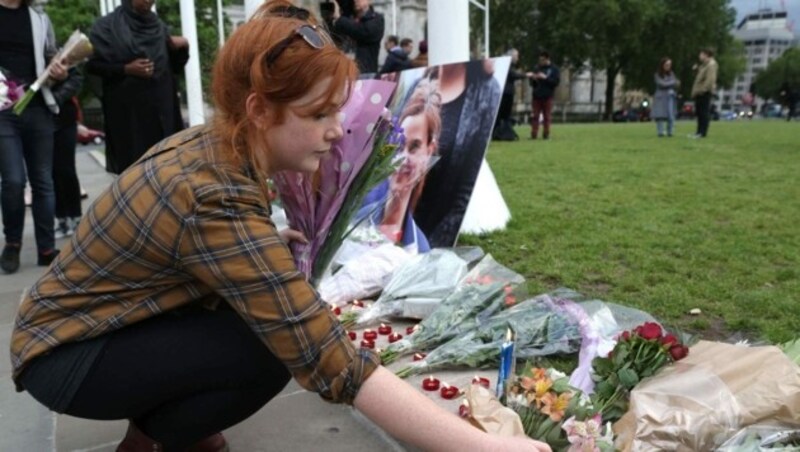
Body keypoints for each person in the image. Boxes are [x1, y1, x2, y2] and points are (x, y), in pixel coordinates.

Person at [9, 2, 551, 451]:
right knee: (273, 349)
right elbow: (327, 357)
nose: (339, 132)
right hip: (66, 356)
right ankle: (155, 436)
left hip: (80, 329)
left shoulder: (219, 146)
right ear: (260, 111)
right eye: (319, 115)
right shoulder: (213, 193)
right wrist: (485, 446)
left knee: (252, 322)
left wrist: (264, 240)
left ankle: (156, 430)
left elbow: (178, 249)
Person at [0, 0, 67, 274]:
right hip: (3, 109)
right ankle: (13, 243)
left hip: (37, 105)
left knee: (43, 181)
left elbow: (52, 57)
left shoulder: (39, 17)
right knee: (14, 180)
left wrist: (59, 71)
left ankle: (46, 249)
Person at [86, 0, 190, 174]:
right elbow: (93, 67)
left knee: (167, 170)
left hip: (161, 114)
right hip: (129, 119)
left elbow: (173, 68)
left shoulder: (158, 26)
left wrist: (182, 47)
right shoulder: (107, 27)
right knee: (135, 173)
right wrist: (126, 69)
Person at [412, 60, 502, 247]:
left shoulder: (486, 91)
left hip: (439, 226)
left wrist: (434, 246)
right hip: (404, 221)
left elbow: (468, 183)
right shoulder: (419, 85)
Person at [359, 79, 441, 252]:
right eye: (398, 145)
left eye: (414, 147)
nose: (403, 159)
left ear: (429, 151)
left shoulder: (420, 249)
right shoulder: (355, 212)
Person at [52, 67, 84, 239]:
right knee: (50, 173)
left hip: (64, 118)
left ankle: (76, 217)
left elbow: (76, 78)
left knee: (66, 170)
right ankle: (61, 219)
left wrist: (56, 96)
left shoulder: (59, 56)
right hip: (42, 118)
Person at [329, 0, 385, 74]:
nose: (355, 1)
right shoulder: (348, 19)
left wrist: (339, 19)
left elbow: (363, 31)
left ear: (369, 1)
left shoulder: (376, 19)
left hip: (365, 73)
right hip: (344, 70)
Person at [494, 48, 532, 141]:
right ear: (511, 56)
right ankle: (504, 134)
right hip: (506, 94)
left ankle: (500, 133)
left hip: (503, 92)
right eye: (516, 56)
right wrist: (526, 75)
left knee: (501, 115)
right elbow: (513, 75)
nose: (517, 59)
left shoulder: (504, 65)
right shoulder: (506, 66)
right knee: (504, 115)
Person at [529, 50, 560, 140]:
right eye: (539, 60)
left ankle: (546, 134)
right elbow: (531, 83)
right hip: (536, 96)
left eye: (542, 60)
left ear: (547, 59)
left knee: (547, 116)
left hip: (548, 96)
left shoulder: (554, 69)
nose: (540, 62)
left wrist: (545, 78)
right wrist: (534, 79)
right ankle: (534, 134)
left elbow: (555, 82)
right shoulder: (536, 68)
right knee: (535, 116)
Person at [690, 48, 717, 138]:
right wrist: (696, 70)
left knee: (703, 112)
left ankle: (702, 132)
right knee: (699, 112)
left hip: (704, 92)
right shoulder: (704, 65)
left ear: (706, 55)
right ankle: (698, 132)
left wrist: (703, 90)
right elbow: (701, 77)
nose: (699, 56)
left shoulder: (711, 65)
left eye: (701, 54)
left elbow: (710, 79)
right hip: (700, 92)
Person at [653, 57, 679, 137]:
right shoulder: (657, 75)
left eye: (670, 64)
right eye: (667, 64)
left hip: (670, 97)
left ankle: (670, 131)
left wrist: (672, 83)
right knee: (660, 115)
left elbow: (676, 83)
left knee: (671, 115)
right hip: (660, 97)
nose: (668, 66)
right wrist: (672, 82)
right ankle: (660, 132)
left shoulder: (671, 74)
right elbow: (661, 84)